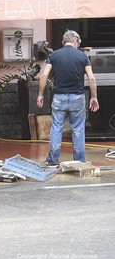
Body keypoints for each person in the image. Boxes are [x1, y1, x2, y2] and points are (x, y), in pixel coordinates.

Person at [37, 30, 99, 166]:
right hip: (77, 97)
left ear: (63, 42)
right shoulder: (82, 56)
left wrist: (40, 94)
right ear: (76, 41)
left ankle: (52, 161)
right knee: (78, 129)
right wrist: (93, 97)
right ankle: (79, 161)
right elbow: (91, 77)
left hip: (59, 97)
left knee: (56, 128)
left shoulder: (54, 55)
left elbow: (44, 75)